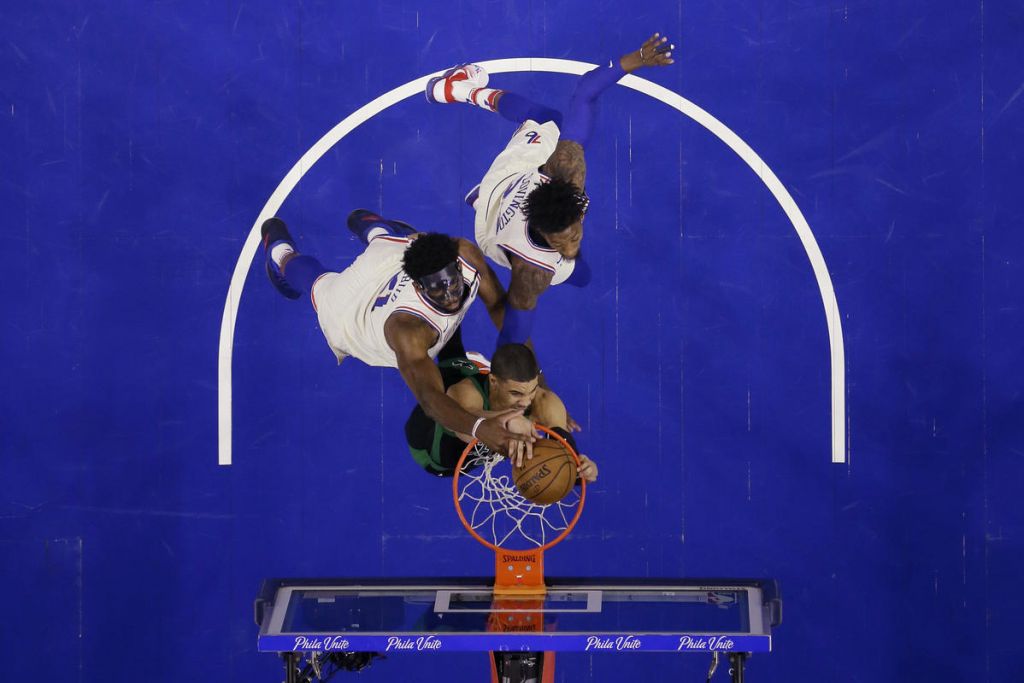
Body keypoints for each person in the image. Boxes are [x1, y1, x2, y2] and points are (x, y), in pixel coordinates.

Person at [426, 33, 675, 346]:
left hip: (514, 185)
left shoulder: (567, 167)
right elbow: (513, 337)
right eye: (565, 237)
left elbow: (586, 91)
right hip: (495, 225)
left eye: (573, 231)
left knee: (549, 119)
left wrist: (637, 58)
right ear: (544, 230)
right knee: (580, 274)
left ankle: (458, 91)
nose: (574, 237)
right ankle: (460, 96)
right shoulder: (532, 274)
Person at [260, 209, 533, 458]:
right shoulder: (407, 329)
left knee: (399, 243)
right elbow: (430, 399)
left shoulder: (464, 254)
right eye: (438, 288)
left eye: (452, 281)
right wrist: (479, 428)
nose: (450, 294)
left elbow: (499, 304)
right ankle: (280, 252)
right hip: (352, 312)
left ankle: (374, 228)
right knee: (318, 285)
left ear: (458, 267)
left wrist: (532, 374)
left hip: (391, 258)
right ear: (419, 286)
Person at [405, 342, 598, 480]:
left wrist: (582, 469)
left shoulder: (544, 402)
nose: (524, 403)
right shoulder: (465, 392)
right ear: (494, 381)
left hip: (484, 388)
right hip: (428, 444)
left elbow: (567, 458)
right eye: (516, 393)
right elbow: (462, 424)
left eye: (531, 391)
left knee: (458, 365)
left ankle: (471, 364)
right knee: (447, 373)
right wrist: (509, 419)